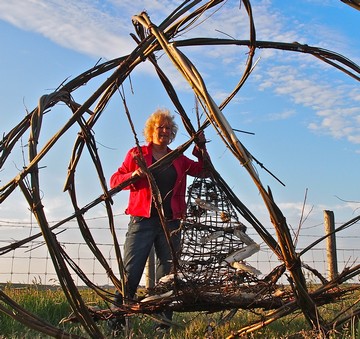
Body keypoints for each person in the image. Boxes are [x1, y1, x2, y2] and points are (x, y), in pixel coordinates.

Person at [109, 108, 208, 331]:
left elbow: (203, 170)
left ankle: (163, 325)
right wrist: (132, 176)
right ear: (151, 131)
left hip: (171, 223)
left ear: (172, 133)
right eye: (159, 127)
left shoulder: (178, 158)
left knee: (167, 276)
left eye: (168, 128)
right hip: (142, 221)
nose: (163, 131)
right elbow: (115, 180)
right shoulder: (137, 154)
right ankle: (117, 322)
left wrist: (200, 147)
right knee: (130, 272)